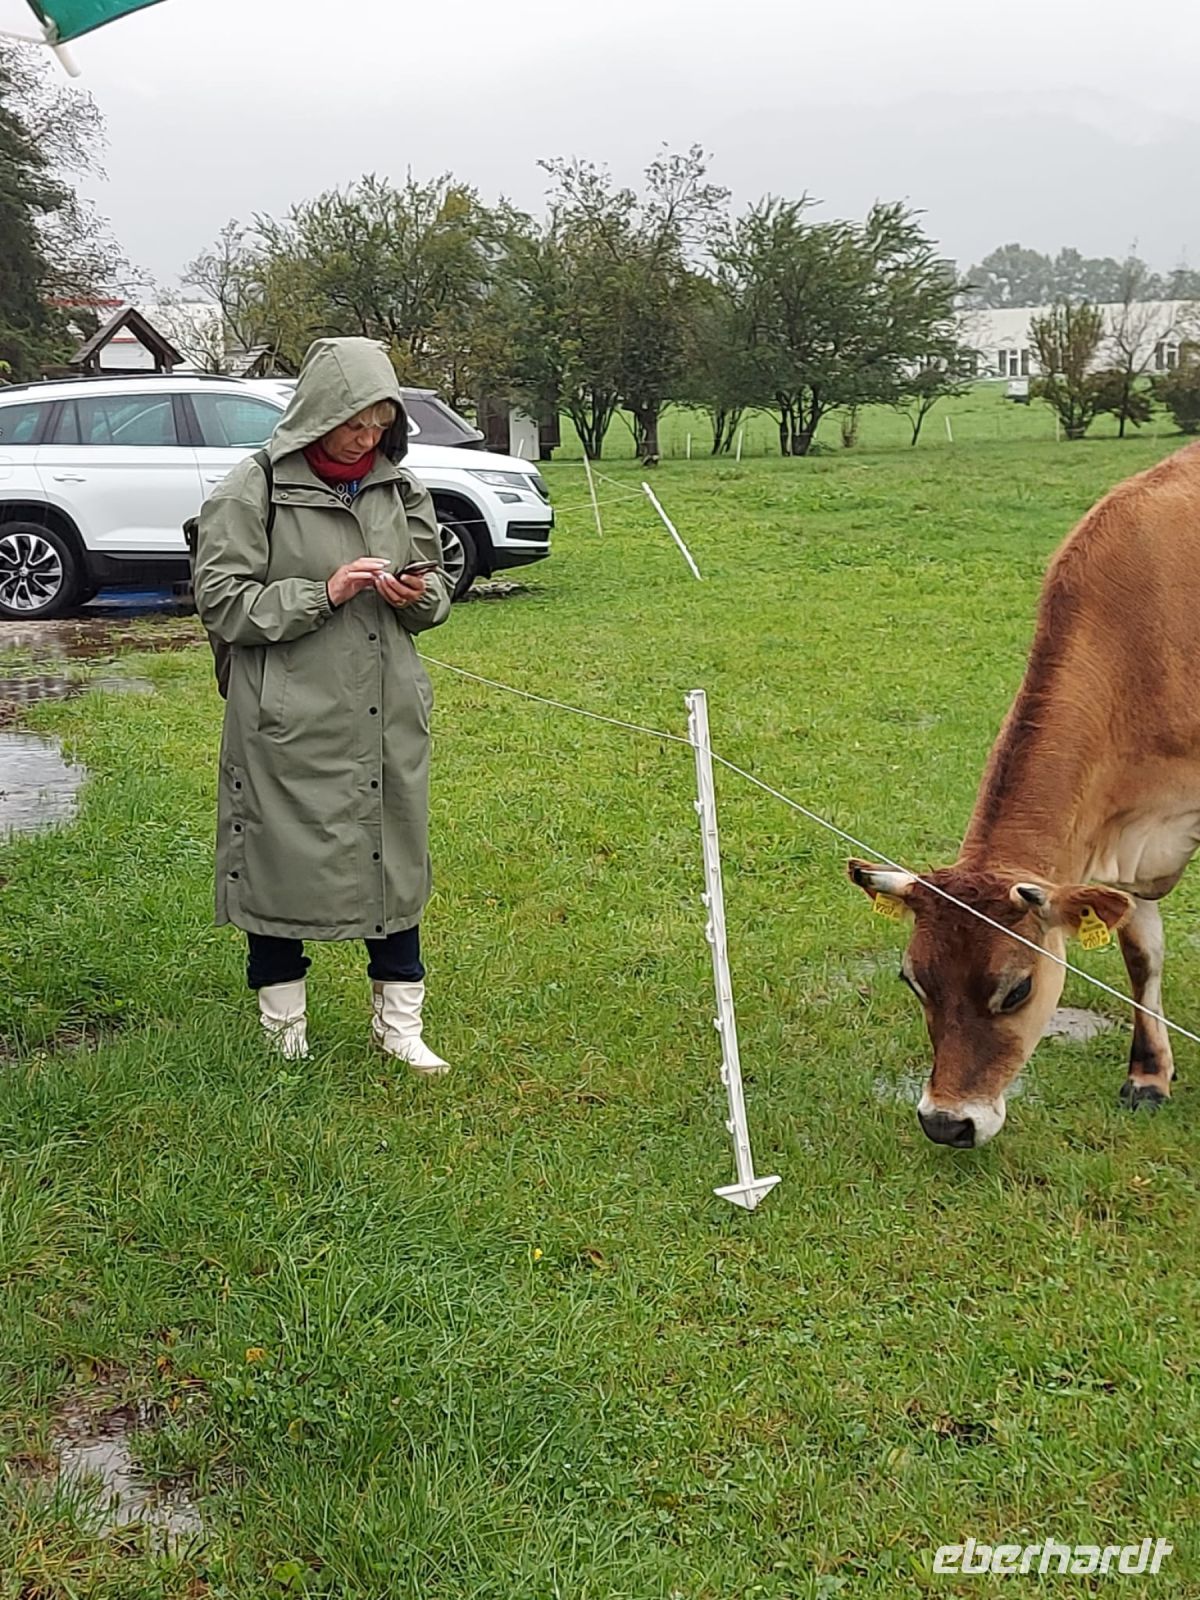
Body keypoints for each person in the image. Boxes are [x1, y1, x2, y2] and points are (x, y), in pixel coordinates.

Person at [193, 337, 453, 1073]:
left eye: (379, 425)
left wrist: (415, 594)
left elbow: (436, 591)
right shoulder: (253, 489)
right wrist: (325, 592)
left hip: (385, 713)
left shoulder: (400, 489)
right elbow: (222, 603)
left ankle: (399, 1027)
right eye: (353, 425)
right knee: (278, 861)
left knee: (391, 859)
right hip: (286, 718)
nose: (366, 440)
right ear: (317, 414)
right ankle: (285, 1032)